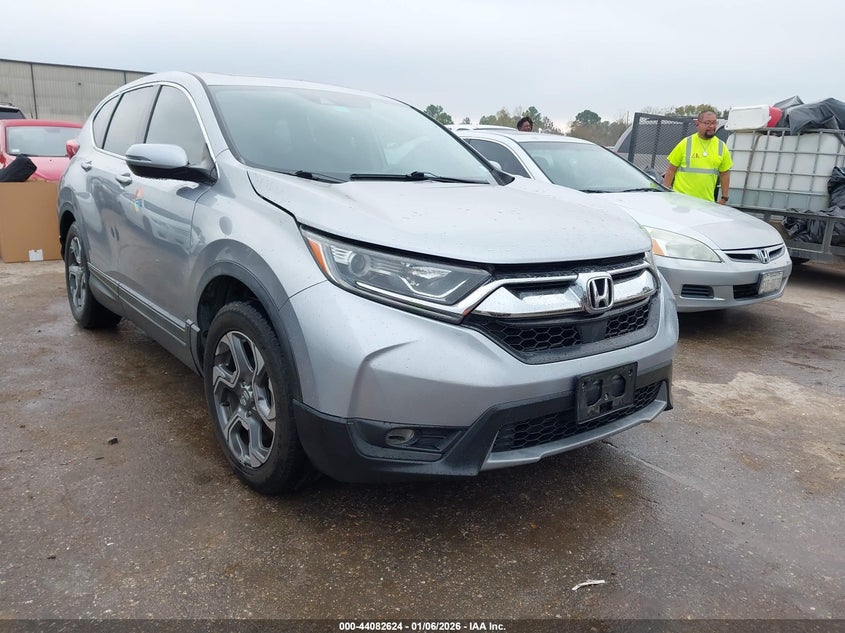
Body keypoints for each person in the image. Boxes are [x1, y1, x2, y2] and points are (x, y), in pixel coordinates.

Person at [663, 110, 732, 204]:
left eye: (714, 123)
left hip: (706, 203)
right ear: (697, 123)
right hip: (681, 202)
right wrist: (665, 194)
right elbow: (671, 170)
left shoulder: (721, 146)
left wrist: (724, 198)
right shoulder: (685, 143)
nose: (711, 126)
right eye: (707, 123)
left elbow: (725, 174)